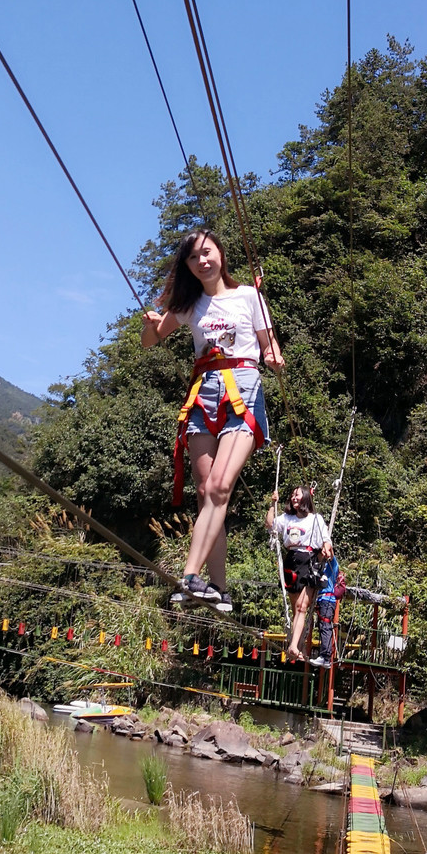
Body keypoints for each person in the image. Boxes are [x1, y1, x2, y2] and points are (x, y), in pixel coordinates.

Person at [141, 229, 284, 612]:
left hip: (243, 389)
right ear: (187, 266)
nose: (202, 261)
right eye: (193, 258)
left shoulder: (249, 296)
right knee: (206, 494)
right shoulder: (188, 305)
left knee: (220, 486)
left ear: (220, 253)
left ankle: (189, 577)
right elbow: (151, 341)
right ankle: (219, 587)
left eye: (207, 252)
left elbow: (268, 343)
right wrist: (150, 323)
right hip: (204, 393)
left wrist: (273, 358)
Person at [266, 485, 331, 661]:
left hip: (310, 561)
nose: (294, 498)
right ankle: (297, 647)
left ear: (306, 498)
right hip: (292, 560)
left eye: (298, 495)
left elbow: (326, 541)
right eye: (293, 495)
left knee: (303, 607)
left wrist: (326, 549)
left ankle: (294, 646)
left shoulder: (315, 519)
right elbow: (270, 525)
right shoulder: (287, 518)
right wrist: (273, 504)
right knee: (297, 610)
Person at [309, 549, 343, 668]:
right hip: (321, 600)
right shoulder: (320, 568)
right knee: (322, 626)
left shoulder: (332, 566)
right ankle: (324, 656)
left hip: (327, 600)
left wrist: (326, 545)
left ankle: (325, 656)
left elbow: (331, 554)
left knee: (325, 626)